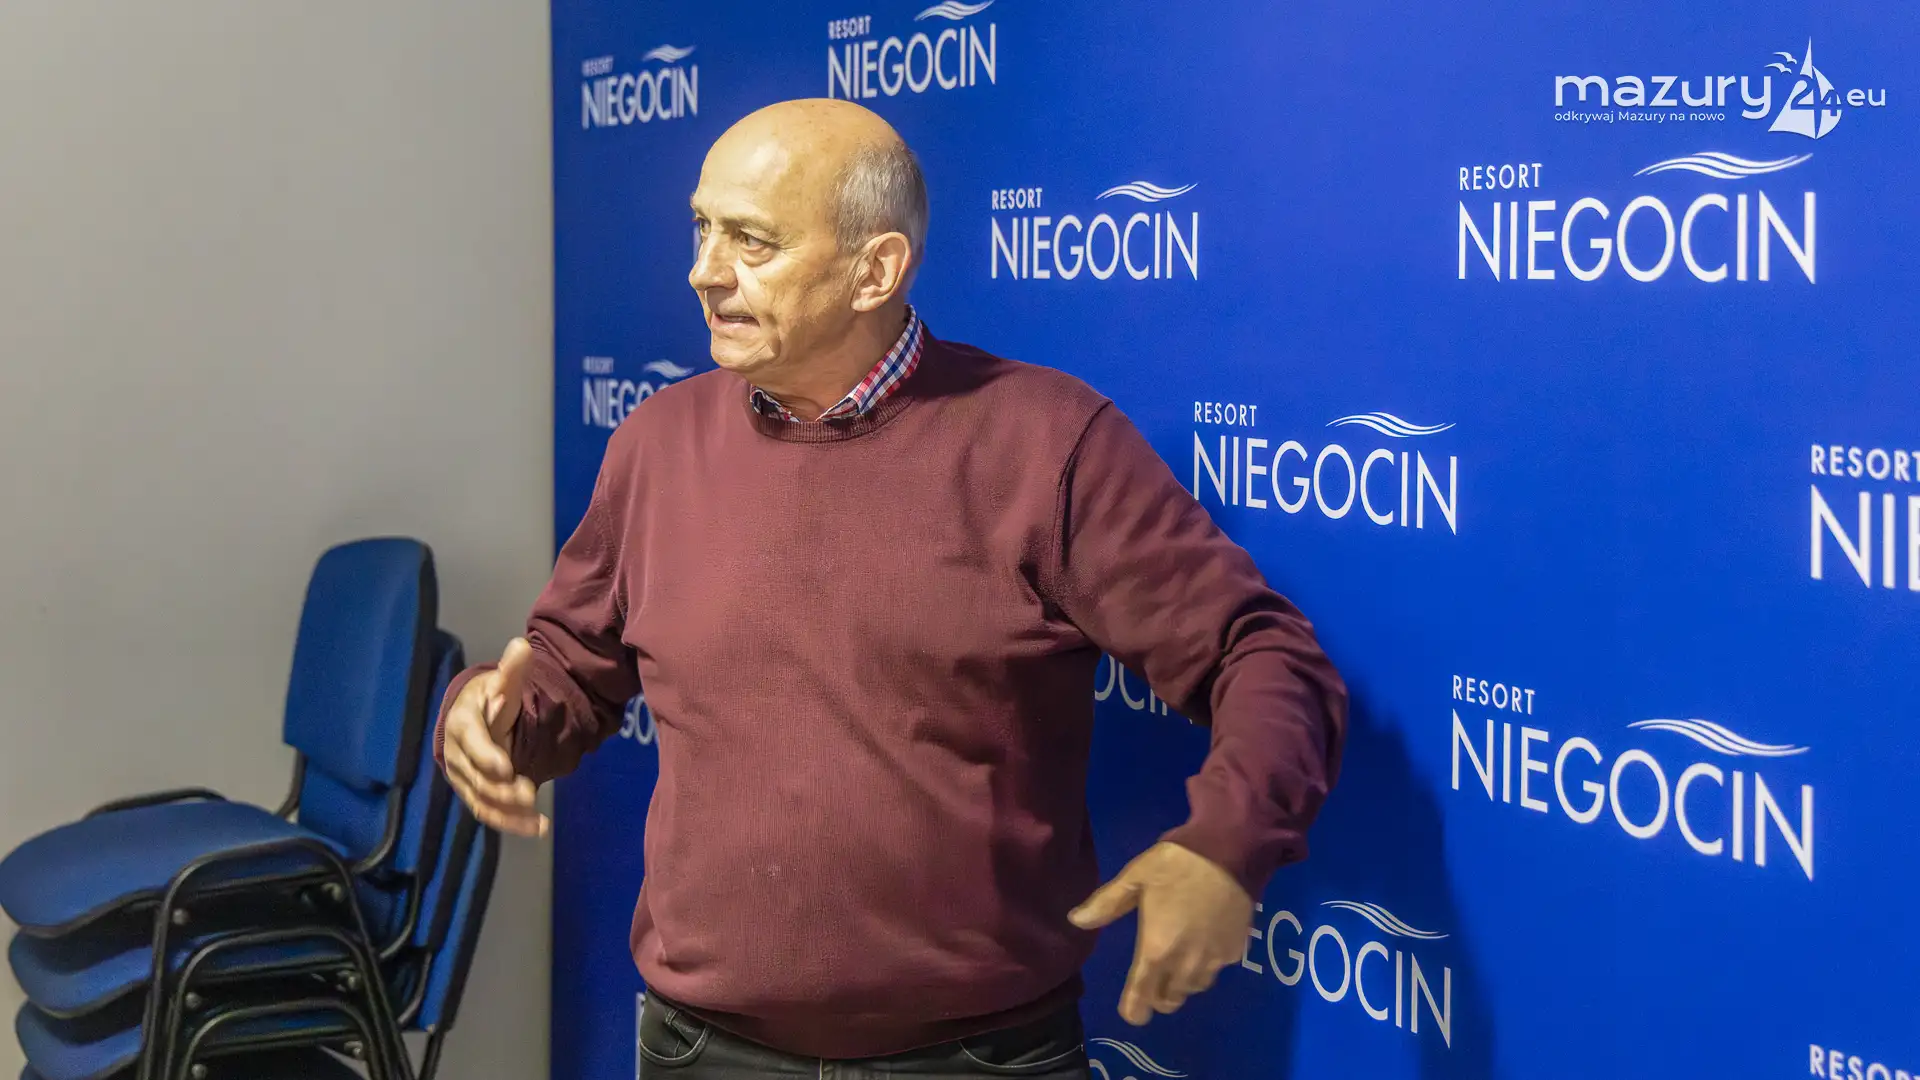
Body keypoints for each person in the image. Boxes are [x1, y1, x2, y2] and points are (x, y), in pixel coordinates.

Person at [437, 98, 1347, 1078]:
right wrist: (489, 715)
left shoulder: (1046, 443)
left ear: (875, 271)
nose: (704, 270)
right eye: (702, 228)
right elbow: (566, 672)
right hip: (702, 1050)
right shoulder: (654, 445)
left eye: (751, 241)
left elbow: (1264, 656)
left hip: (978, 1059)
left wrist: (1226, 844)